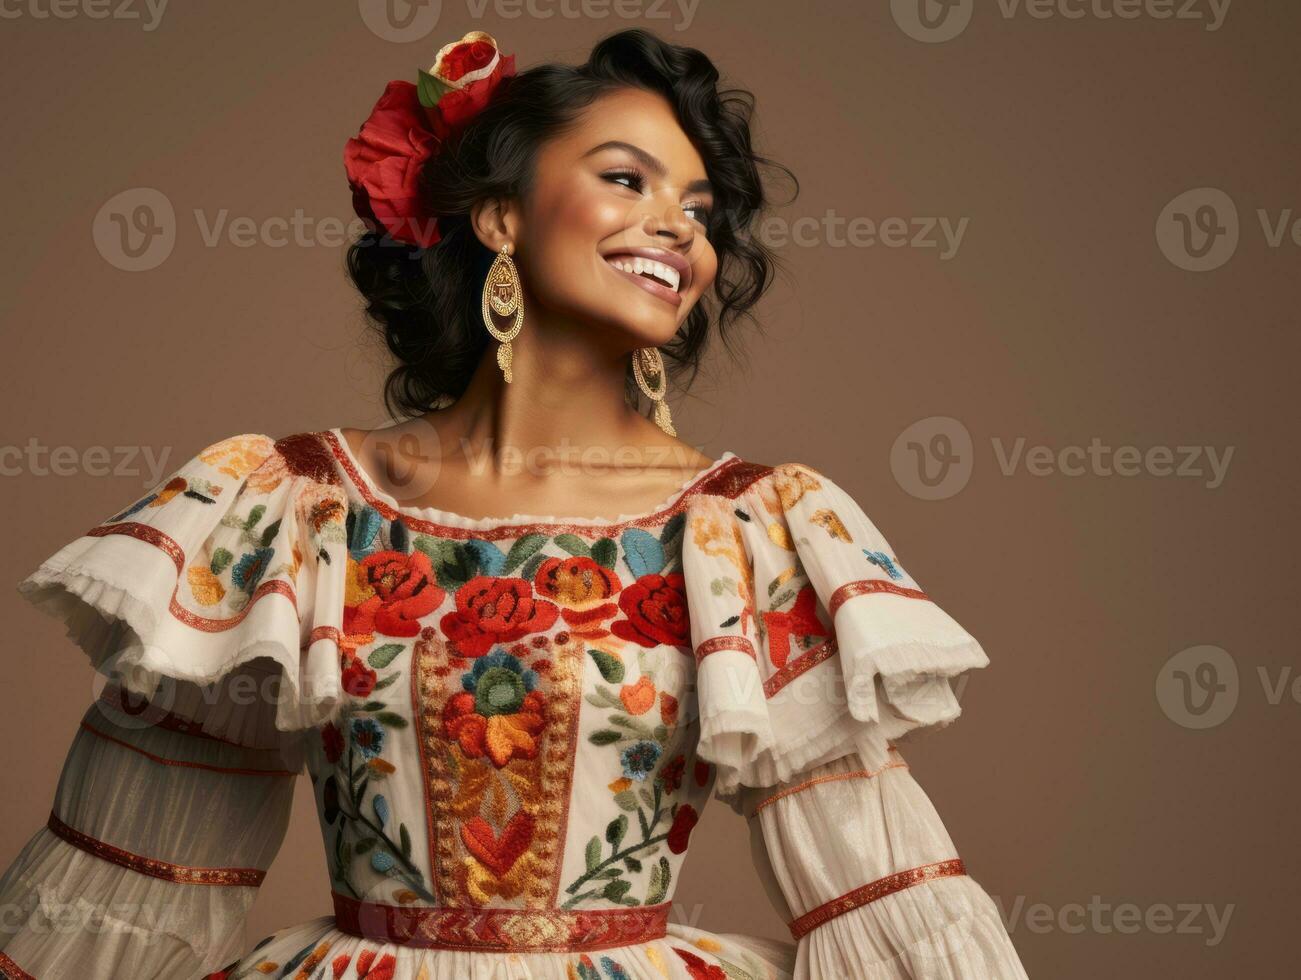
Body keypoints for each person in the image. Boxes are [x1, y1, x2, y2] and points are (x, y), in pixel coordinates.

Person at [0, 28, 1028, 980]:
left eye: (701, 210)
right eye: (625, 178)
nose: (676, 224)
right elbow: (131, 869)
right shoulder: (294, 505)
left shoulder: (745, 530)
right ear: (498, 215)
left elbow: (878, 890)